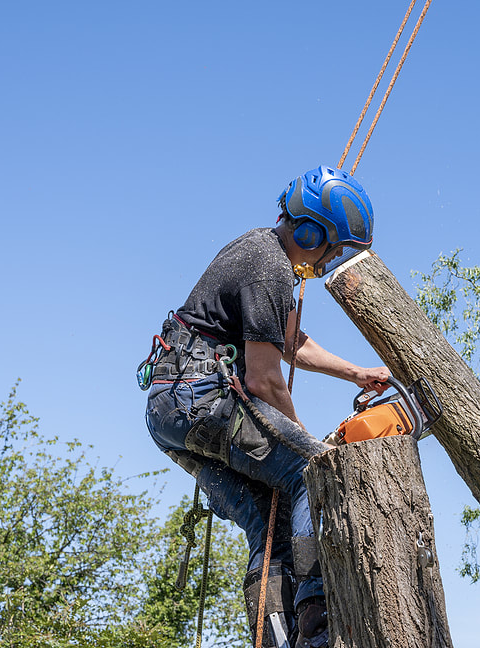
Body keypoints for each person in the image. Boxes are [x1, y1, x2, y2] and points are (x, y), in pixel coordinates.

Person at [141, 165, 389, 648]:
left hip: (169, 408)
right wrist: (306, 441)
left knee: (266, 519)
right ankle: (317, 626)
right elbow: (264, 378)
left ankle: (275, 636)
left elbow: (290, 341)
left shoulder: (258, 250)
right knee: (313, 473)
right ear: (311, 230)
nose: (330, 261)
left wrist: (358, 373)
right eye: (333, 247)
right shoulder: (269, 265)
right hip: (202, 399)